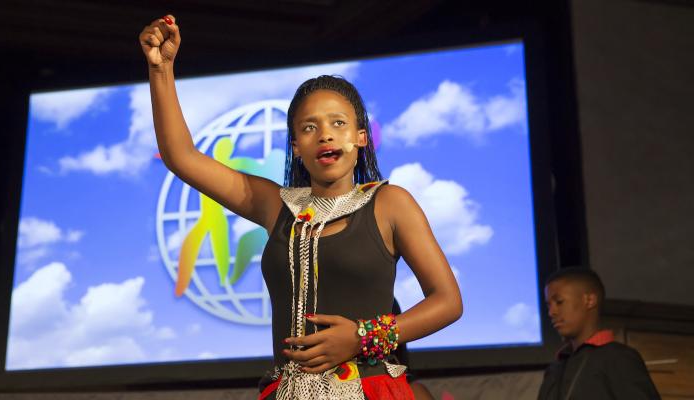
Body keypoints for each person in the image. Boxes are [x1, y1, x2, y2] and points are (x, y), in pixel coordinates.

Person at [139, 15, 462, 399]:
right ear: (295, 146)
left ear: (361, 137)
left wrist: (362, 338)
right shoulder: (276, 206)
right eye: (309, 127)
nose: (325, 133)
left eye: (338, 123)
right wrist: (161, 69)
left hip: (371, 388)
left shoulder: (390, 203)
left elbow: (448, 301)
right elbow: (181, 157)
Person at [538, 268, 660, 399]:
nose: (551, 312)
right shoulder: (555, 369)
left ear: (590, 300)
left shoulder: (618, 358)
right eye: (548, 305)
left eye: (559, 302)